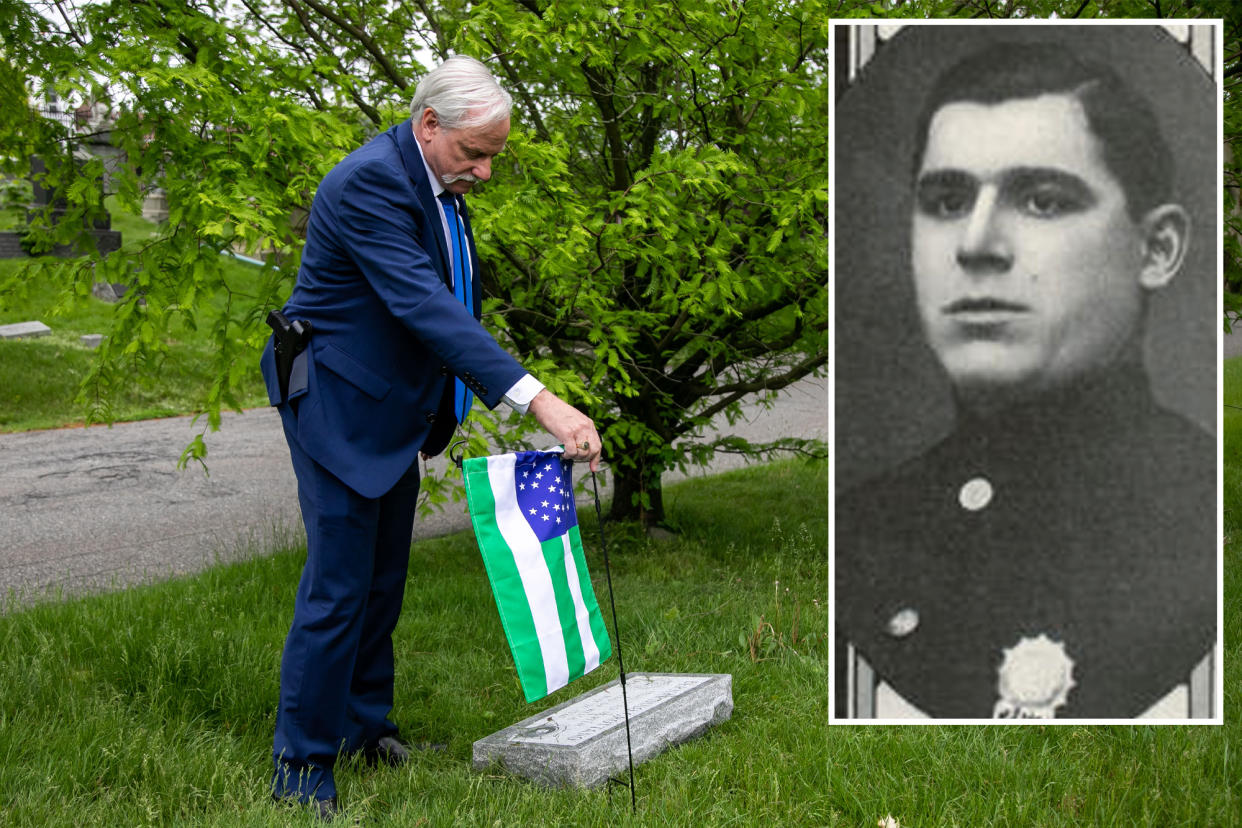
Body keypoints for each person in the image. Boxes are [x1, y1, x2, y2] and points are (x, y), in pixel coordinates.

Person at [834, 38, 1216, 720]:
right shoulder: (865, 527)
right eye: (947, 201)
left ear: (1155, 249)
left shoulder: (1204, 510)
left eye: (1042, 200)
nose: (976, 243)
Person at [259, 55, 602, 815]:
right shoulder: (370, 181)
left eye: (493, 156)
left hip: (390, 407)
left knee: (382, 580)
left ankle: (363, 727)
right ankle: (302, 765)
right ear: (428, 124)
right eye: (473, 153)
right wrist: (540, 401)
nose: (483, 170)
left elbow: (450, 298)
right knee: (339, 588)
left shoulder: (438, 181)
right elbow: (424, 304)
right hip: (338, 405)